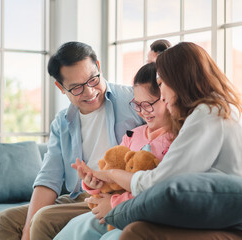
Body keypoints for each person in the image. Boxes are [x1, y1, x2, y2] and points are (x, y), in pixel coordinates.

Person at [71, 42, 242, 240]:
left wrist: (111, 176)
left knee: (138, 232)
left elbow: (158, 183)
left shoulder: (209, 114)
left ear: (178, 80)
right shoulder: (219, 110)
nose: (162, 95)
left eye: (161, 85)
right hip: (238, 220)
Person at [0, 41, 144, 240]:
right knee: (5, 221)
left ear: (98, 66)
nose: (90, 92)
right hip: (79, 198)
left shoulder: (134, 101)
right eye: (77, 88)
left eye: (92, 79)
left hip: (114, 195)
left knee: (44, 219)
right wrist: (27, 231)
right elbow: (49, 179)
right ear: (61, 87)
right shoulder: (62, 123)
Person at [53, 62, 175, 240]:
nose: (143, 112)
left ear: (167, 98)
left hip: (138, 212)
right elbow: (111, 175)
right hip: (113, 207)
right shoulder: (133, 135)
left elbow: (156, 190)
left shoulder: (176, 141)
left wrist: (113, 203)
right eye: (137, 105)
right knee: (73, 230)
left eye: (149, 104)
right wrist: (94, 183)